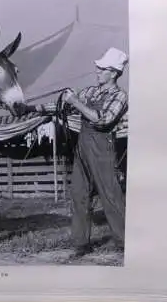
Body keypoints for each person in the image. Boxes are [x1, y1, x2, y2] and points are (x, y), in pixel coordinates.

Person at [28, 47, 129, 257]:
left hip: (103, 148)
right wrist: (29, 109)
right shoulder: (90, 91)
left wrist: (75, 101)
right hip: (83, 147)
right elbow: (59, 107)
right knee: (79, 194)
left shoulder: (120, 96)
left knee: (110, 195)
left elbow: (102, 119)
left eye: (102, 69)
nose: (97, 71)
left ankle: (124, 242)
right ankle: (81, 244)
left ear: (114, 72)